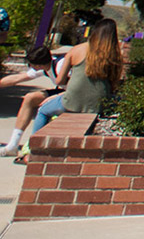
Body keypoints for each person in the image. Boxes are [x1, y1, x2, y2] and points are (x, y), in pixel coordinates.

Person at [20, 19, 124, 163]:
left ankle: (33, 151)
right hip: (99, 104)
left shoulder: (77, 49)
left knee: (43, 111)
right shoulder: (115, 55)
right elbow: (114, 84)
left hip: (71, 101)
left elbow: (60, 81)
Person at [0, 46, 63, 156]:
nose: (31, 67)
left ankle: (34, 146)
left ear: (39, 65)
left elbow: (79, 87)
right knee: (30, 98)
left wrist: (54, 97)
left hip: (72, 94)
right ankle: (13, 145)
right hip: (62, 92)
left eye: (31, 65)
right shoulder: (46, 67)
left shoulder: (60, 65)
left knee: (45, 107)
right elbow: (18, 79)